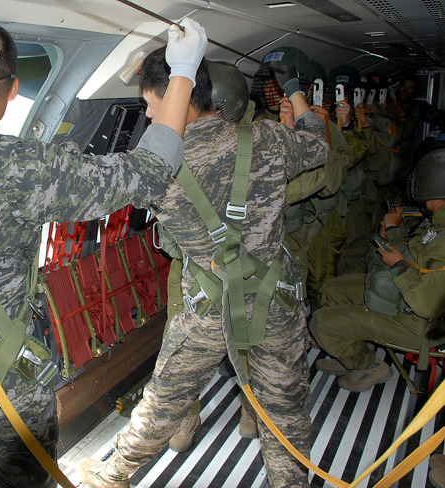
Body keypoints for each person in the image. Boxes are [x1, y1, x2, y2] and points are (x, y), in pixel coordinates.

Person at [0, 18, 208, 488]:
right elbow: (148, 172)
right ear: (13, 88)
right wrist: (183, 71)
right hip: (12, 381)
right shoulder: (22, 165)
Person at [81, 47, 330, 488]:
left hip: (208, 310)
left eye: (150, 103)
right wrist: (293, 90)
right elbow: (317, 144)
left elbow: (98, 192)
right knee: (286, 410)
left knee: (165, 401)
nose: (150, 112)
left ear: (175, 95)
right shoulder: (267, 138)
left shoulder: (155, 165)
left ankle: (113, 475)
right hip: (275, 302)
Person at [309, 146, 445, 392]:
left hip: (424, 324)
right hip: (407, 296)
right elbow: (420, 256)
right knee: (331, 290)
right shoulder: (438, 223)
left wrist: (398, 264)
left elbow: (428, 303)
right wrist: (394, 234)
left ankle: (368, 365)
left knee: (322, 322)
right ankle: (353, 347)